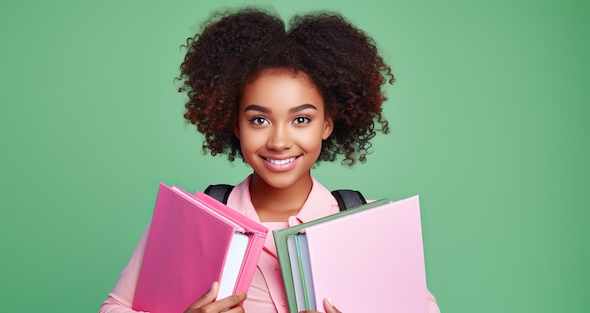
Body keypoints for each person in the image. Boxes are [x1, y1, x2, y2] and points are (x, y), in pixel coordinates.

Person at [100, 7, 440, 313]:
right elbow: (114, 308)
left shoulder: (373, 225)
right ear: (234, 124)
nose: (279, 141)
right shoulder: (190, 219)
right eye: (259, 120)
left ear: (327, 124)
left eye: (301, 120)